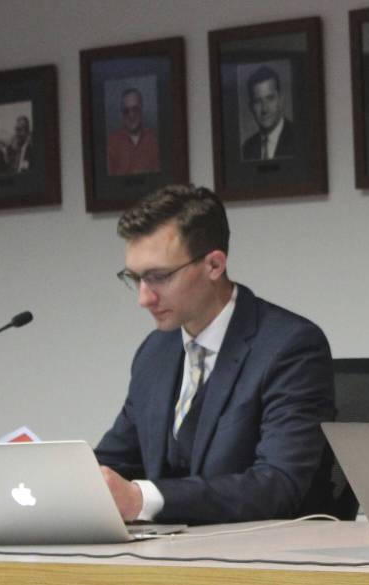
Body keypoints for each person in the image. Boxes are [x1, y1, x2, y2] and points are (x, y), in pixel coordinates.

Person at [96, 184, 336, 524]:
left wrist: (143, 499)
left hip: (259, 549)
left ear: (214, 265)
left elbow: (278, 484)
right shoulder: (155, 351)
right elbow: (117, 458)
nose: (144, 298)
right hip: (163, 548)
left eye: (159, 277)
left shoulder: (290, 347)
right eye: (134, 278)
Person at [240, 65, 295, 162]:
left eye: (270, 98)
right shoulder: (247, 148)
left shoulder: (298, 138)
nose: (264, 109)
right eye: (257, 101)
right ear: (251, 107)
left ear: (280, 100)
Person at [106, 87, 160, 175]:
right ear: (121, 113)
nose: (131, 115)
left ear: (141, 109)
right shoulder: (112, 143)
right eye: (126, 111)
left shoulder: (153, 140)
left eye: (135, 109)